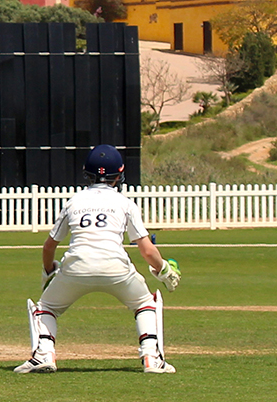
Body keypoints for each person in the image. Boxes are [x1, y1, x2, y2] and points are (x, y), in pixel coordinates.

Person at [15, 145, 182, 374]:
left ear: (87, 173)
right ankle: (151, 358)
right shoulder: (124, 203)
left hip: (76, 266)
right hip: (116, 267)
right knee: (144, 304)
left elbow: (49, 246)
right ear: (119, 174)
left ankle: (44, 354)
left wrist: (48, 272)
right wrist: (164, 270)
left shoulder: (74, 201)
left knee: (47, 307)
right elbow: (146, 250)